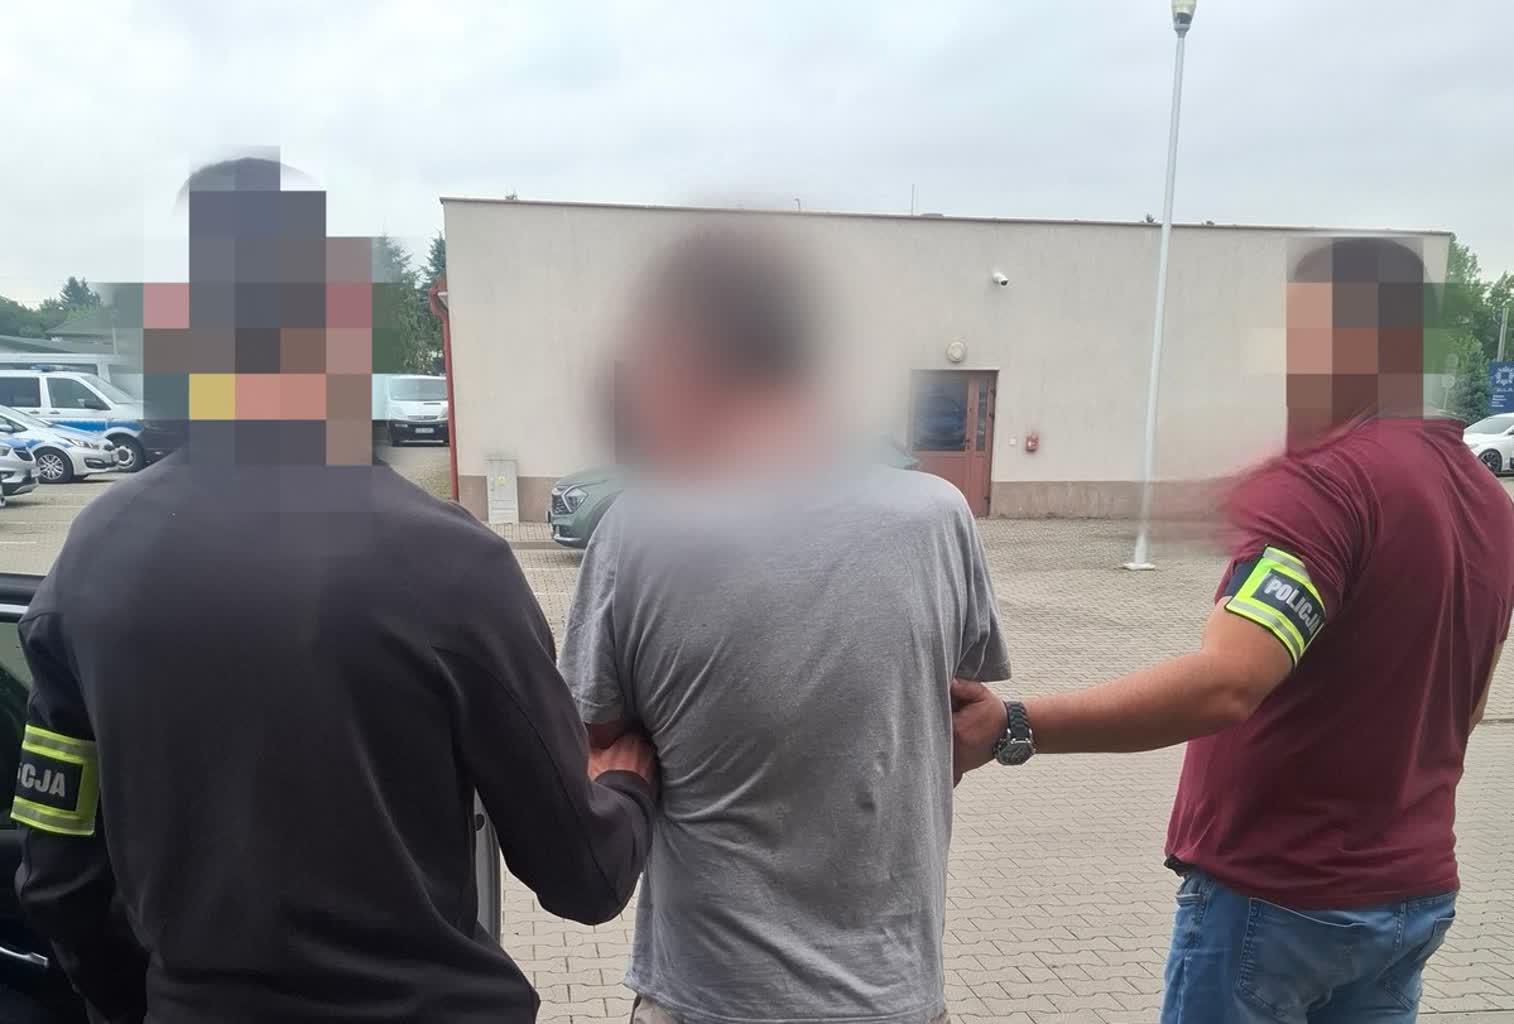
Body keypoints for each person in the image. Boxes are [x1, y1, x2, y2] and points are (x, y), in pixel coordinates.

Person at [9, 156, 657, 1023]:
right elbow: (584, 876)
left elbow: (57, 870)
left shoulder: (90, 561)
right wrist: (629, 785)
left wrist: (157, 1001)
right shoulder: (449, 565)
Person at [952, 235, 1514, 1023]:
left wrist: (1015, 724)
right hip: (1410, 898)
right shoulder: (1489, 504)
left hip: (1282, 899)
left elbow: (1227, 683)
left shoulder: (1331, 484)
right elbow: (1470, 705)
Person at [559, 226, 1010, 1024]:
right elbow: (955, 707)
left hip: (708, 996)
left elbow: (597, 739)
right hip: (891, 996)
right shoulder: (939, 517)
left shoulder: (639, 532)